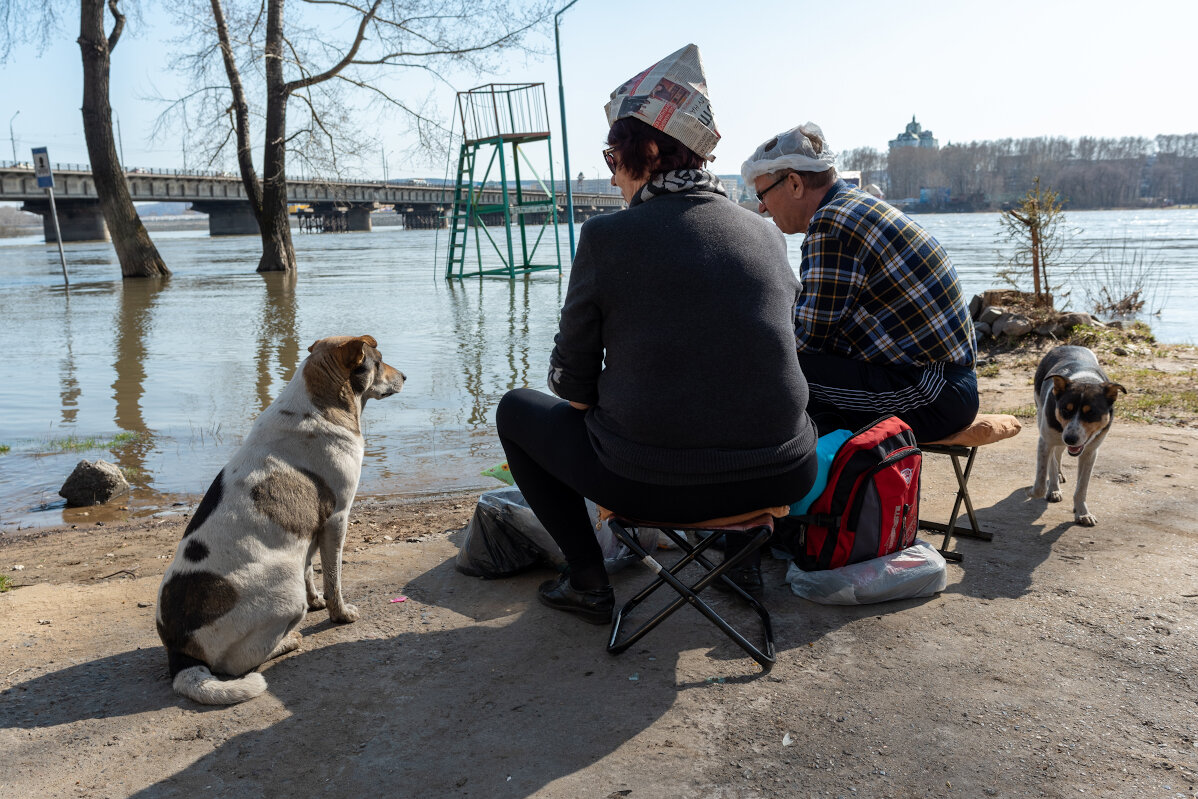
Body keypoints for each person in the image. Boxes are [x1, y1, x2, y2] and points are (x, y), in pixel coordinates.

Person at [495, 45, 819, 624]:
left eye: (611, 154)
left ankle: (588, 579)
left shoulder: (607, 238)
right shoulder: (766, 235)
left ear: (639, 151)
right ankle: (738, 564)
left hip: (655, 487)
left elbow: (573, 390)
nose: (612, 169)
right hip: (785, 472)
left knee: (517, 410)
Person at [742, 123, 978, 443]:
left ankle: (795, 481)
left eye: (762, 194)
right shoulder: (853, 206)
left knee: (769, 373)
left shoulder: (832, 224)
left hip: (932, 395)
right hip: (946, 385)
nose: (761, 208)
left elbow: (804, 340)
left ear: (795, 183)